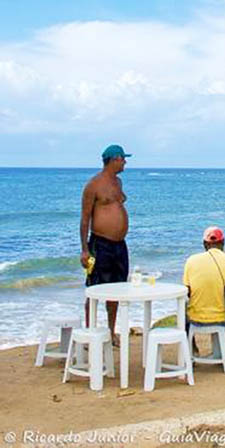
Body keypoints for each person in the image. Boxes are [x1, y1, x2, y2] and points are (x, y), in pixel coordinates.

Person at [80, 144, 131, 345]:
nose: (125, 162)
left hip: (120, 245)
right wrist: (84, 249)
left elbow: (117, 203)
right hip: (100, 244)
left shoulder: (118, 182)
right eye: (123, 159)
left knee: (117, 289)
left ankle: (111, 331)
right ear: (114, 159)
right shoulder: (93, 185)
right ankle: (90, 332)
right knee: (94, 289)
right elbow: (85, 219)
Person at [183, 226, 225, 368]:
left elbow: (187, 291)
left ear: (205, 244)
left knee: (182, 309)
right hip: (223, 317)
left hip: (196, 317)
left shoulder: (191, 261)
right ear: (223, 243)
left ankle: (192, 349)